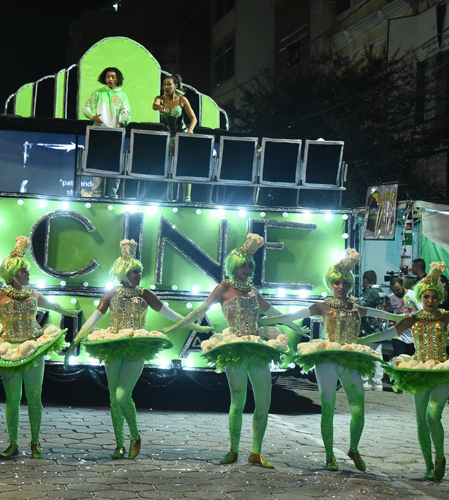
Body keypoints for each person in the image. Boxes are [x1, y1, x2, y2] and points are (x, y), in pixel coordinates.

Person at [259, 249, 404, 471]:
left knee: (358, 407)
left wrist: (400, 318)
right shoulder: (323, 306)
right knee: (328, 406)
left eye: (345, 283)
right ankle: (329, 455)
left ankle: (353, 448)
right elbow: (294, 315)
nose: (341, 287)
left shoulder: (356, 307)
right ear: (331, 284)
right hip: (326, 357)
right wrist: (274, 319)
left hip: (350, 357)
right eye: (337, 283)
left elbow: (382, 315)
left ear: (349, 285)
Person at [65, 239, 210, 460]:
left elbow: (169, 313)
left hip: (137, 344)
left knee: (123, 394)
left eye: (139, 272)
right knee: (113, 397)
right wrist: (75, 342)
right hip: (112, 344)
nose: (138, 275)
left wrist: (193, 325)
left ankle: (135, 435)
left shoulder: (144, 294)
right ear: (124, 273)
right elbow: (93, 320)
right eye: (134, 272)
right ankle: (119, 444)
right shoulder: (111, 294)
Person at [162, 233, 292, 468]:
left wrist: (295, 326)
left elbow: (273, 312)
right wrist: (180, 326)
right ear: (234, 265)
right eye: (243, 265)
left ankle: (256, 452)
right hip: (234, 346)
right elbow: (199, 311)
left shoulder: (252, 291)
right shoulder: (223, 288)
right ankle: (233, 450)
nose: (246, 269)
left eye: (250, 265)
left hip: (257, 346)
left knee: (264, 400)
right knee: (238, 399)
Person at [359, 262, 449, 481]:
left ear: (440, 298)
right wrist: (362, 340)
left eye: (434, 297)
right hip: (418, 369)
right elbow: (389, 331)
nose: (430, 301)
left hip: (440, 370)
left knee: (432, 415)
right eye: (426, 297)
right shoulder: (414, 318)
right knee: (421, 420)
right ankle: (428, 464)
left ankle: (440, 457)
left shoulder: (445, 316)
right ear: (421, 297)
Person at [0, 236, 79, 459]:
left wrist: (69, 312)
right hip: (9, 351)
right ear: (12, 274)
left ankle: (36, 443)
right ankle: (14, 443)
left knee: (35, 397)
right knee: (12, 399)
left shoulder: (33, 293)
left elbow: (53, 305)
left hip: (33, 348)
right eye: (23, 271)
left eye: (27, 271)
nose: (28, 274)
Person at [82, 67, 131, 199]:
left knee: (115, 165)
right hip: (99, 132)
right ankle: (96, 194)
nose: (110, 79)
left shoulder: (122, 95)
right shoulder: (97, 93)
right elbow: (86, 109)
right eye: (108, 76)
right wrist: (94, 117)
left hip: (115, 134)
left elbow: (126, 111)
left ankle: (112, 194)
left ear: (117, 78)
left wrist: (123, 122)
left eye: (113, 76)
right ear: (104, 78)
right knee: (98, 164)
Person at [152, 74, 198, 202]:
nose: (166, 87)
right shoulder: (160, 99)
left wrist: (190, 130)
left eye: (169, 84)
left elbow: (193, 118)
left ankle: (186, 198)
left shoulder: (182, 100)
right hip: (167, 136)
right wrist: (159, 107)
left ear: (175, 86)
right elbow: (154, 105)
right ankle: (169, 197)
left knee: (183, 165)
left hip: (181, 135)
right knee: (169, 166)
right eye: (164, 85)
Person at [358, 270, 387, 391]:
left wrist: (354, 300)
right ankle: (377, 382)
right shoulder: (382, 292)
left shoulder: (371, 292)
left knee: (365, 354)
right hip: (379, 327)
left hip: (369, 328)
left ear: (365, 280)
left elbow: (360, 304)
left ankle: (364, 381)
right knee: (377, 355)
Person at [387, 277, 415, 356]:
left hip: (412, 336)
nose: (396, 292)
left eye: (398, 290)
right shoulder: (391, 297)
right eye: (393, 290)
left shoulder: (413, 295)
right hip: (397, 335)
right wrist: (391, 322)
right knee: (399, 359)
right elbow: (390, 312)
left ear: (403, 285)